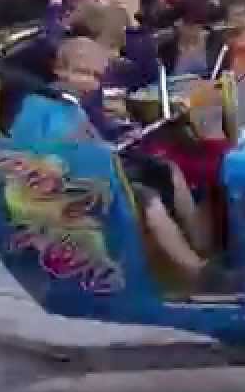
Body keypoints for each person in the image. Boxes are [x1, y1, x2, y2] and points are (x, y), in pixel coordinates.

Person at [11, 38, 212, 282]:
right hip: (65, 184)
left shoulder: (72, 104)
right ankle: (195, 270)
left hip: (94, 170)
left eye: (96, 76)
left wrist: (119, 137)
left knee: (165, 169)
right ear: (59, 69)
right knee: (146, 198)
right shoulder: (40, 105)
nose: (90, 82)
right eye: (82, 73)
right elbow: (47, 152)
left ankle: (200, 245)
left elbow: (89, 138)